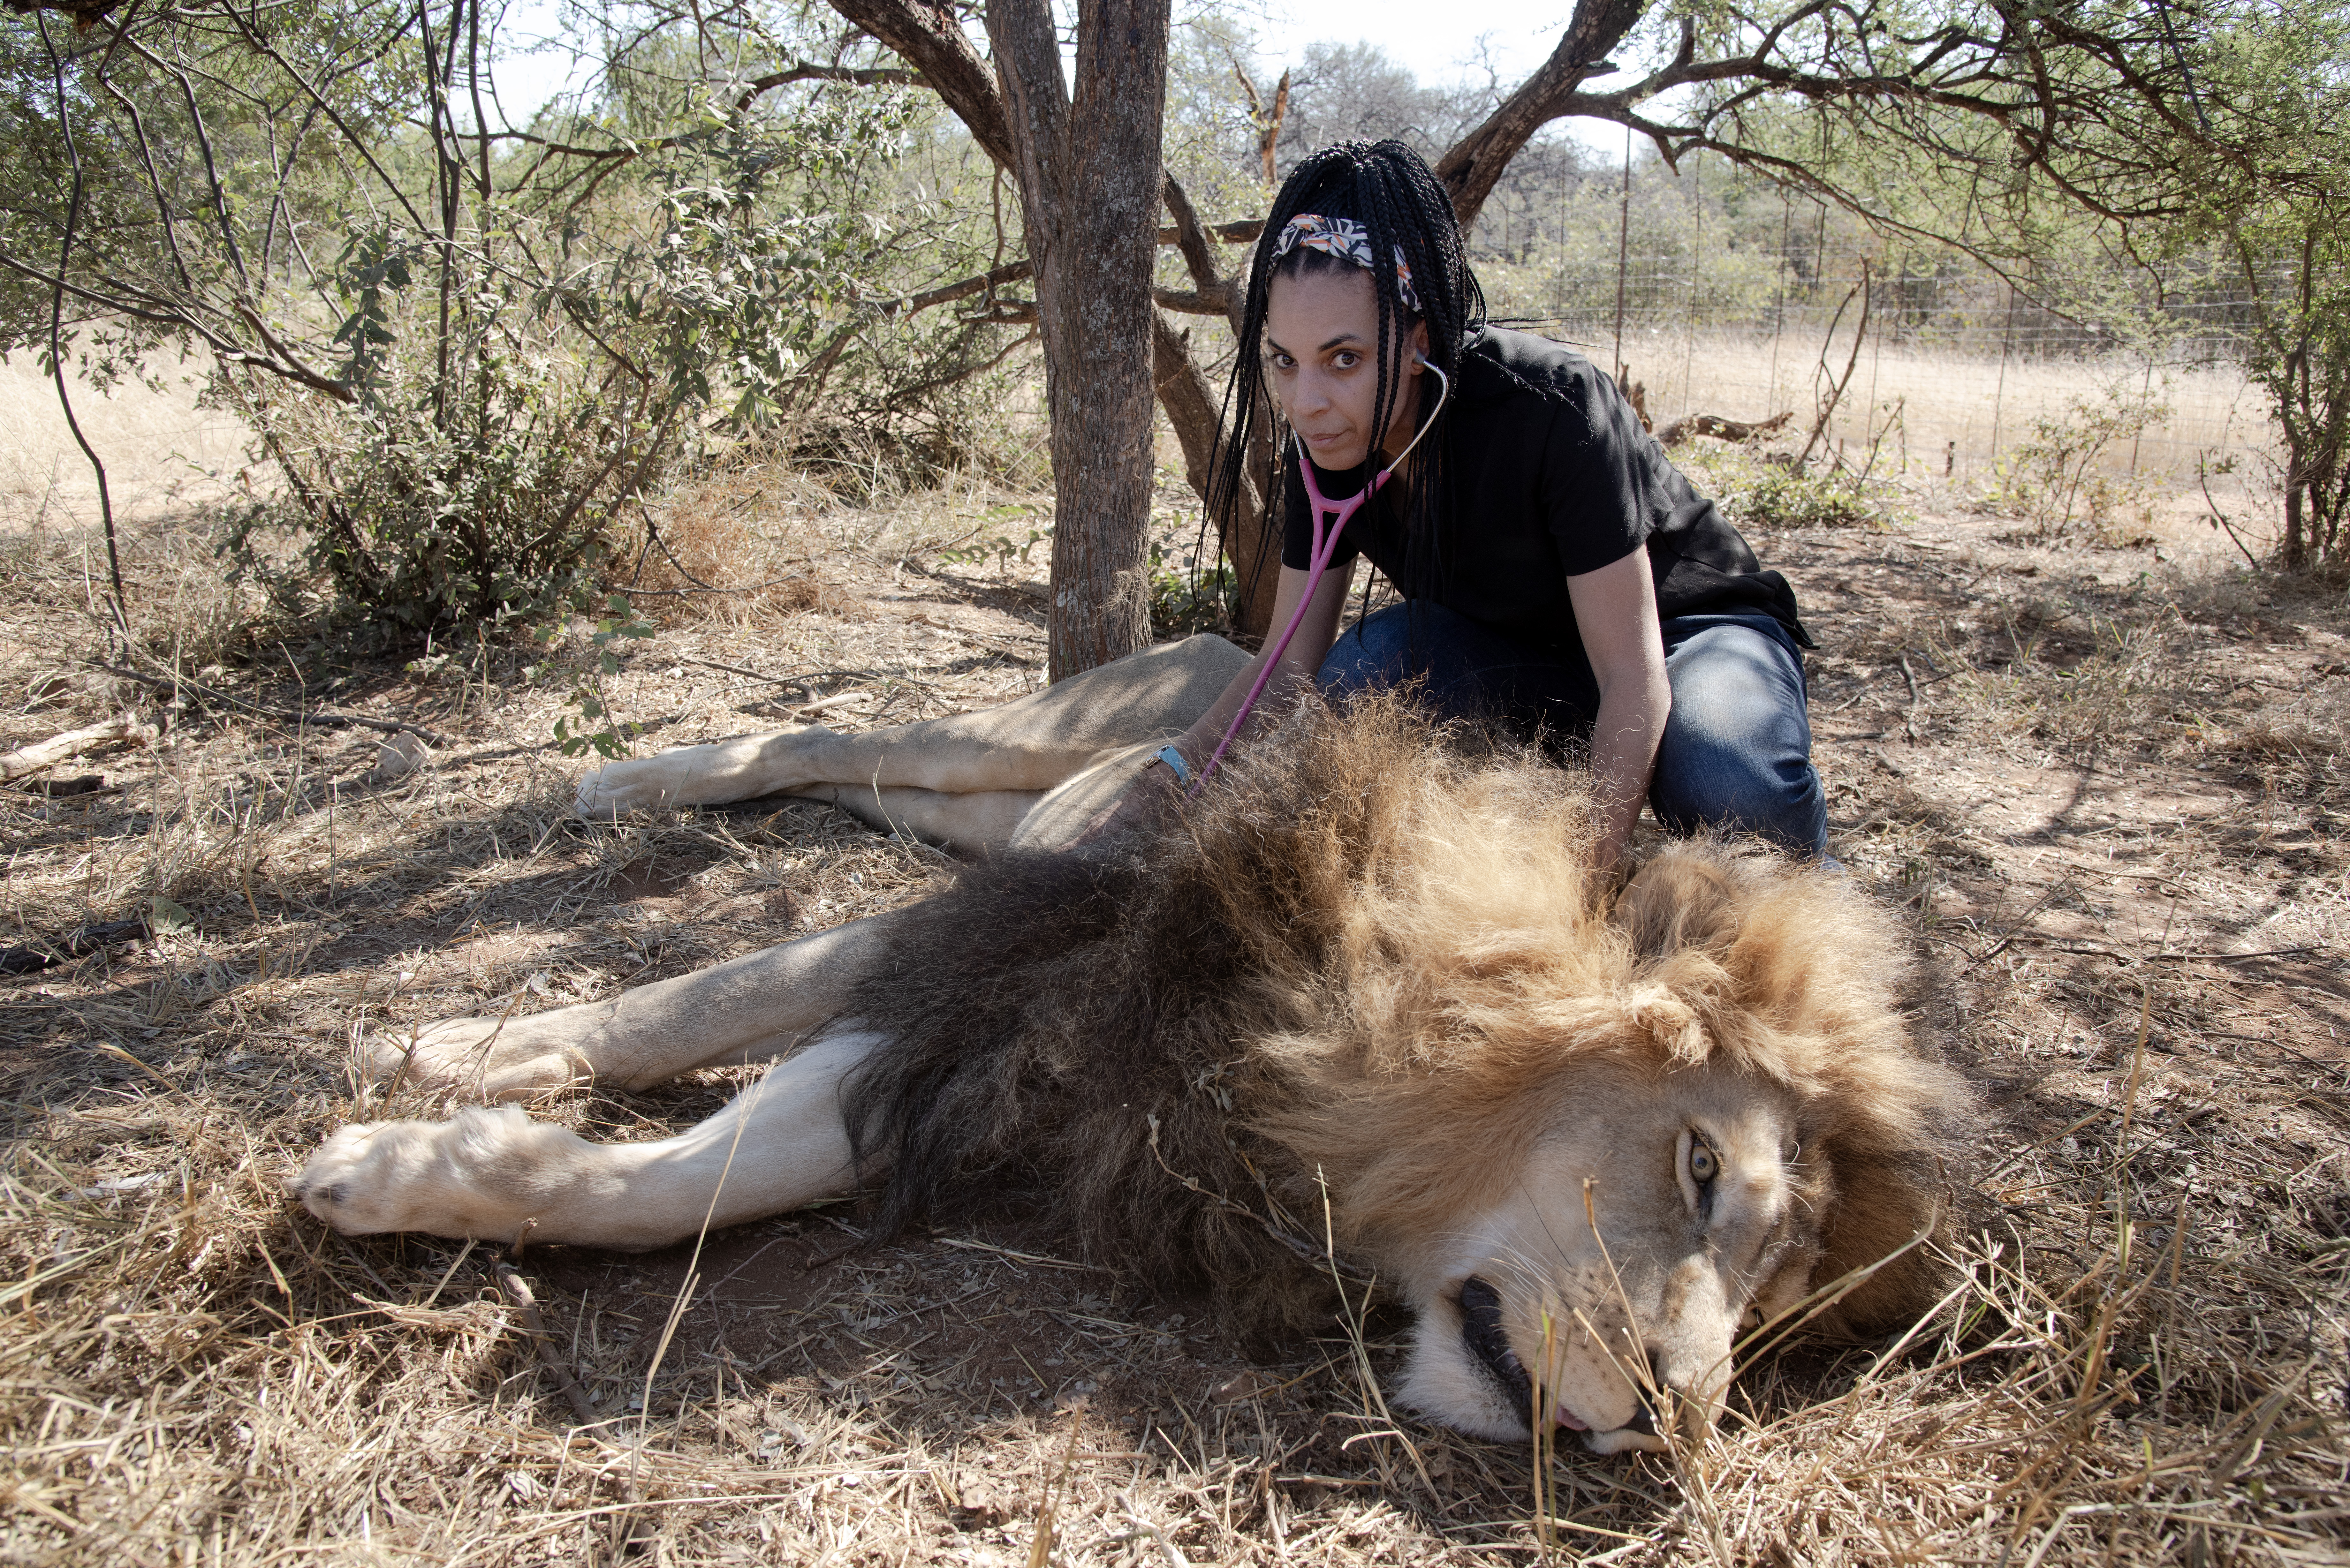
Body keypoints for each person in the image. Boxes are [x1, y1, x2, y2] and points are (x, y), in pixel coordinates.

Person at [1089, 139, 1824, 871]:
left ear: (1417, 343)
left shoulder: (1552, 406)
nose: (1306, 403)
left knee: (1729, 783)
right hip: (1530, 662)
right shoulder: (1326, 443)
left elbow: (1631, 675)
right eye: (1285, 360)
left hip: (1678, 638)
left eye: (1343, 358)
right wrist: (1172, 776)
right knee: (1359, 678)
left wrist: (1583, 883)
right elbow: (1288, 666)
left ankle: (1793, 848)